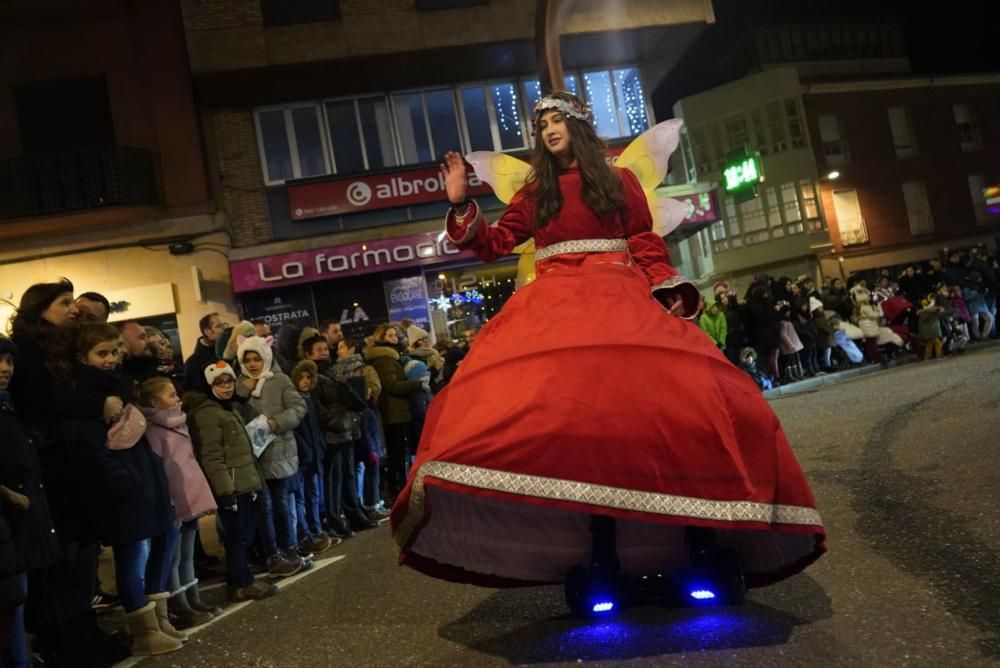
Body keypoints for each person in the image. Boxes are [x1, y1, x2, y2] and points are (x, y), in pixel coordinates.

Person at [390, 91, 825, 591]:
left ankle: (702, 541)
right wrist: (460, 203)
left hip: (622, 303)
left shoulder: (620, 181)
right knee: (582, 431)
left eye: (558, 121)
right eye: (544, 125)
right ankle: (601, 553)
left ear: (578, 126)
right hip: (556, 314)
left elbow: (643, 241)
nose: (551, 130)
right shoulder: (535, 193)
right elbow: (492, 245)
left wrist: (667, 289)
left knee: (679, 412)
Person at [8, 280, 130, 666]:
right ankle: (70, 643)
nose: (72, 309)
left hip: (69, 467)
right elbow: (46, 398)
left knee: (81, 557)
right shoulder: (28, 352)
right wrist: (99, 402)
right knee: (65, 562)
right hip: (53, 469)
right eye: (64, 303)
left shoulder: (58, 345)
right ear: (40, 309)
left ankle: (85, 636)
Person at [63, 324, 180, 656]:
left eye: (114, 351)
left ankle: (157, 621)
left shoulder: (119, 387)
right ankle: (143, 630)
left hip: (141, 480)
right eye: (101, 353)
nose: (110, 359)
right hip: (123, 489)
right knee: (132, 556)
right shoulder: (88, 398)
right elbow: (90, 448)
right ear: (81, 357)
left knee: (152, 546)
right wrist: (125, 482)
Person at [183, 362, 277, 602]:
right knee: (236, 536)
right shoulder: (208, 414)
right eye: (219, 383)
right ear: (209, 385)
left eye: (229, 382)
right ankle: (241, 583)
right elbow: (212, 456)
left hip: (243, 483)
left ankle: (240, 579)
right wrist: (226, 491)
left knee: (242, 534)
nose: (226, 387)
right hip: (232, 486)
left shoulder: (226, 408)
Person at [136, 377, 219, 629]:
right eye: (171, 395)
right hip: (173, 501)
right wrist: (168, 500)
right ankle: (178, 603)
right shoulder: (154, 431)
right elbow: (159, 471)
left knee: (188, 554)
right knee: (172, 557)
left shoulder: (178, 423)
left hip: (190, 496)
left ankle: (193, 598)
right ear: (153, 402)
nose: (177, 399)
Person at [0, 336, 60, 667]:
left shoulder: (9, 407)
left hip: (17, 527)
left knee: (16, 601)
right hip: (8, 522)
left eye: (9, 361)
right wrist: (9, 495)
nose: (4, 368)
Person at [235, 336, 307, 577]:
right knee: (263, 508)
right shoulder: (237, 386)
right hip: (253, 457)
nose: (253, 364)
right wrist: (243, 388)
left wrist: (278, 423)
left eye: (257, 358)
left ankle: (290, 549)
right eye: (248, 360)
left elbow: (298, 407)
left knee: (282, 504)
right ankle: (272, 555)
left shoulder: (280, 380)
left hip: (279, 451)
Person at [183, 313, 227, 392]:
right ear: (207, 332)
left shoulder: (228, 351)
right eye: (219, 326)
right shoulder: (193, 363)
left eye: (225, 325)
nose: (224, 329)